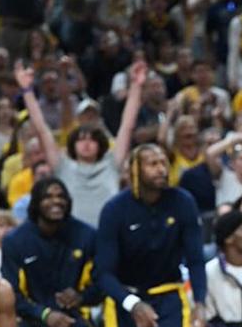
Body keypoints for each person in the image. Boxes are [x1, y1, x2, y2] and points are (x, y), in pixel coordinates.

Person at [96, 144, 206, 327]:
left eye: (164, 163)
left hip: (168, 292)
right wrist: (133, 305)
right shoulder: (114, 209)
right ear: (135, 169)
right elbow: (103, 273)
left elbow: (195, 259)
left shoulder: (183, 201)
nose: (161, 169)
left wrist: (200, 303)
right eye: (153, 164)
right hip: (125, 295)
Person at [15, 60, 145, 227]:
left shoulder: (112, 163)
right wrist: (27, 90)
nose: (86, 144)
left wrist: (136, 86)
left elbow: (127, 126)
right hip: (72, 237)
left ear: (100, 144)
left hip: (107, 235)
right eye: (81, 139)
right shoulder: (62, 166)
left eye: (92, 140)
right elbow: (41, 129)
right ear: (73, 145)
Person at [1, 178, 103, 327]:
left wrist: (81, 297)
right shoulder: (15, 241)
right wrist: (44, 314)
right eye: (48, 197)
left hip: (74, 319)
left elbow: (101, 282)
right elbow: (11, 294)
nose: (56, 201)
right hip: (31, 322)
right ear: (36, 202)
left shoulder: (87, 235)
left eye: (61, 196)